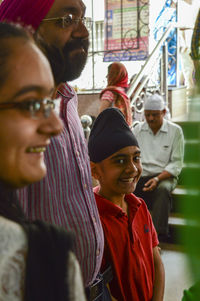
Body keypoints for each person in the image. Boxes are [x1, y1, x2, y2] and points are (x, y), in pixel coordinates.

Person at [0, 1, 108, 299]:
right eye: (67, 19)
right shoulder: (23, 259)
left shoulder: (69, 99)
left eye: (83, 18)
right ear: (26, 28)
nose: (83, 31)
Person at [88, 108, 165, 301]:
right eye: (120, 161)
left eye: (136, 158)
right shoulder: (92, 219)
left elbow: (156, 262)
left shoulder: (139, 206)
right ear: (95, 171)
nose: (132, 168)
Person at [133, 93, 184, 241]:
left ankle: (157, 237)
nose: (150, 119)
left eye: (155, 115)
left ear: (163, 112)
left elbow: (176, 163)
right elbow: (132, 156)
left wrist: (157, 178)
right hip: (142, 174)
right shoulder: (138, 130)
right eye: (147, 115)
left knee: (163, 190)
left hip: (164, 176)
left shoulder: (175, 131)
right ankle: (131, 234)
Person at [99, 62, 132, 126]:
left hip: (112, 130)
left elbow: (101, 116)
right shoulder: (124, 92)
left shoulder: (109, 93)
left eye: (109, 74)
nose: (106, 76)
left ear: (113, 75)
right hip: (124, 129)